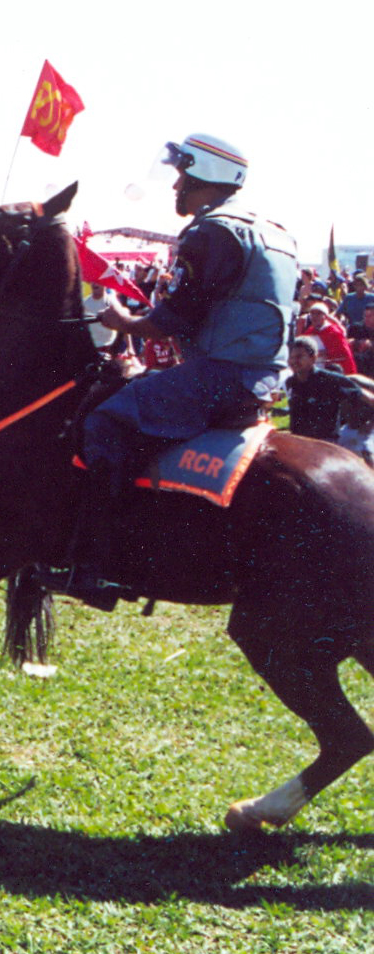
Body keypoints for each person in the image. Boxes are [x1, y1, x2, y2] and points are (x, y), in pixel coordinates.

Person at [56, 133, 297, 608]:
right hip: (262, 377)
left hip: (219, 375)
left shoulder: (213, 231)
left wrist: (125, 322)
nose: (176, 187)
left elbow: (176, 318)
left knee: (106, 417)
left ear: (208, 177)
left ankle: (95, 566)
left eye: (184, 176)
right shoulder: (275, 231)